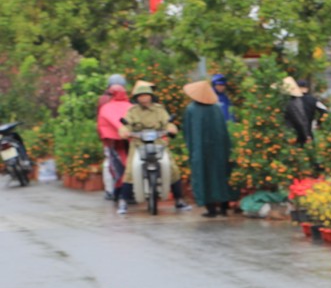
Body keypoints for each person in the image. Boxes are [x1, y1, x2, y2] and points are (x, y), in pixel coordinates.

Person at [117, 83, 192, 215]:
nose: (144, 98)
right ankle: (123, 201)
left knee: (172, 167)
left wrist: (171, 128)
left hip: (158, 142)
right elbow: (126, 124)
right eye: (141, 96)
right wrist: (124, 130)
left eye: (146, 95)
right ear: (136, 98)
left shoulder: (159, 109)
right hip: (138, 143)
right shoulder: (132, 111)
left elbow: (167, 122)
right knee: (130, 169)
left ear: (151, 96)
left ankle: (179, 200)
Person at [182, 80, 238, 217]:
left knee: (203, 175)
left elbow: (188, 132)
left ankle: (211, 209)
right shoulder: (216, 108)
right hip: (220, 148)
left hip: (200, 149)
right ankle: (224, 207)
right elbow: (223, 131)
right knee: (221, 174)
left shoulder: (191, 109)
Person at [97, 84, 132, 201]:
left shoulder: (106, 106)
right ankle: (124, 192)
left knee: (115, 166)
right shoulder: (130, 107)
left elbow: (104, 123)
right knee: (125, 165)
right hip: (128, 141)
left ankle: (116, 192)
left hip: (114, 143)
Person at [282, 77, 311, 145]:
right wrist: (306, 135)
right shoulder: (295, 102)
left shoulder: (289, 102)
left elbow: (299, 119)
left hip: (290, 135)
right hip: (292, 134)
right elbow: (301, 119)